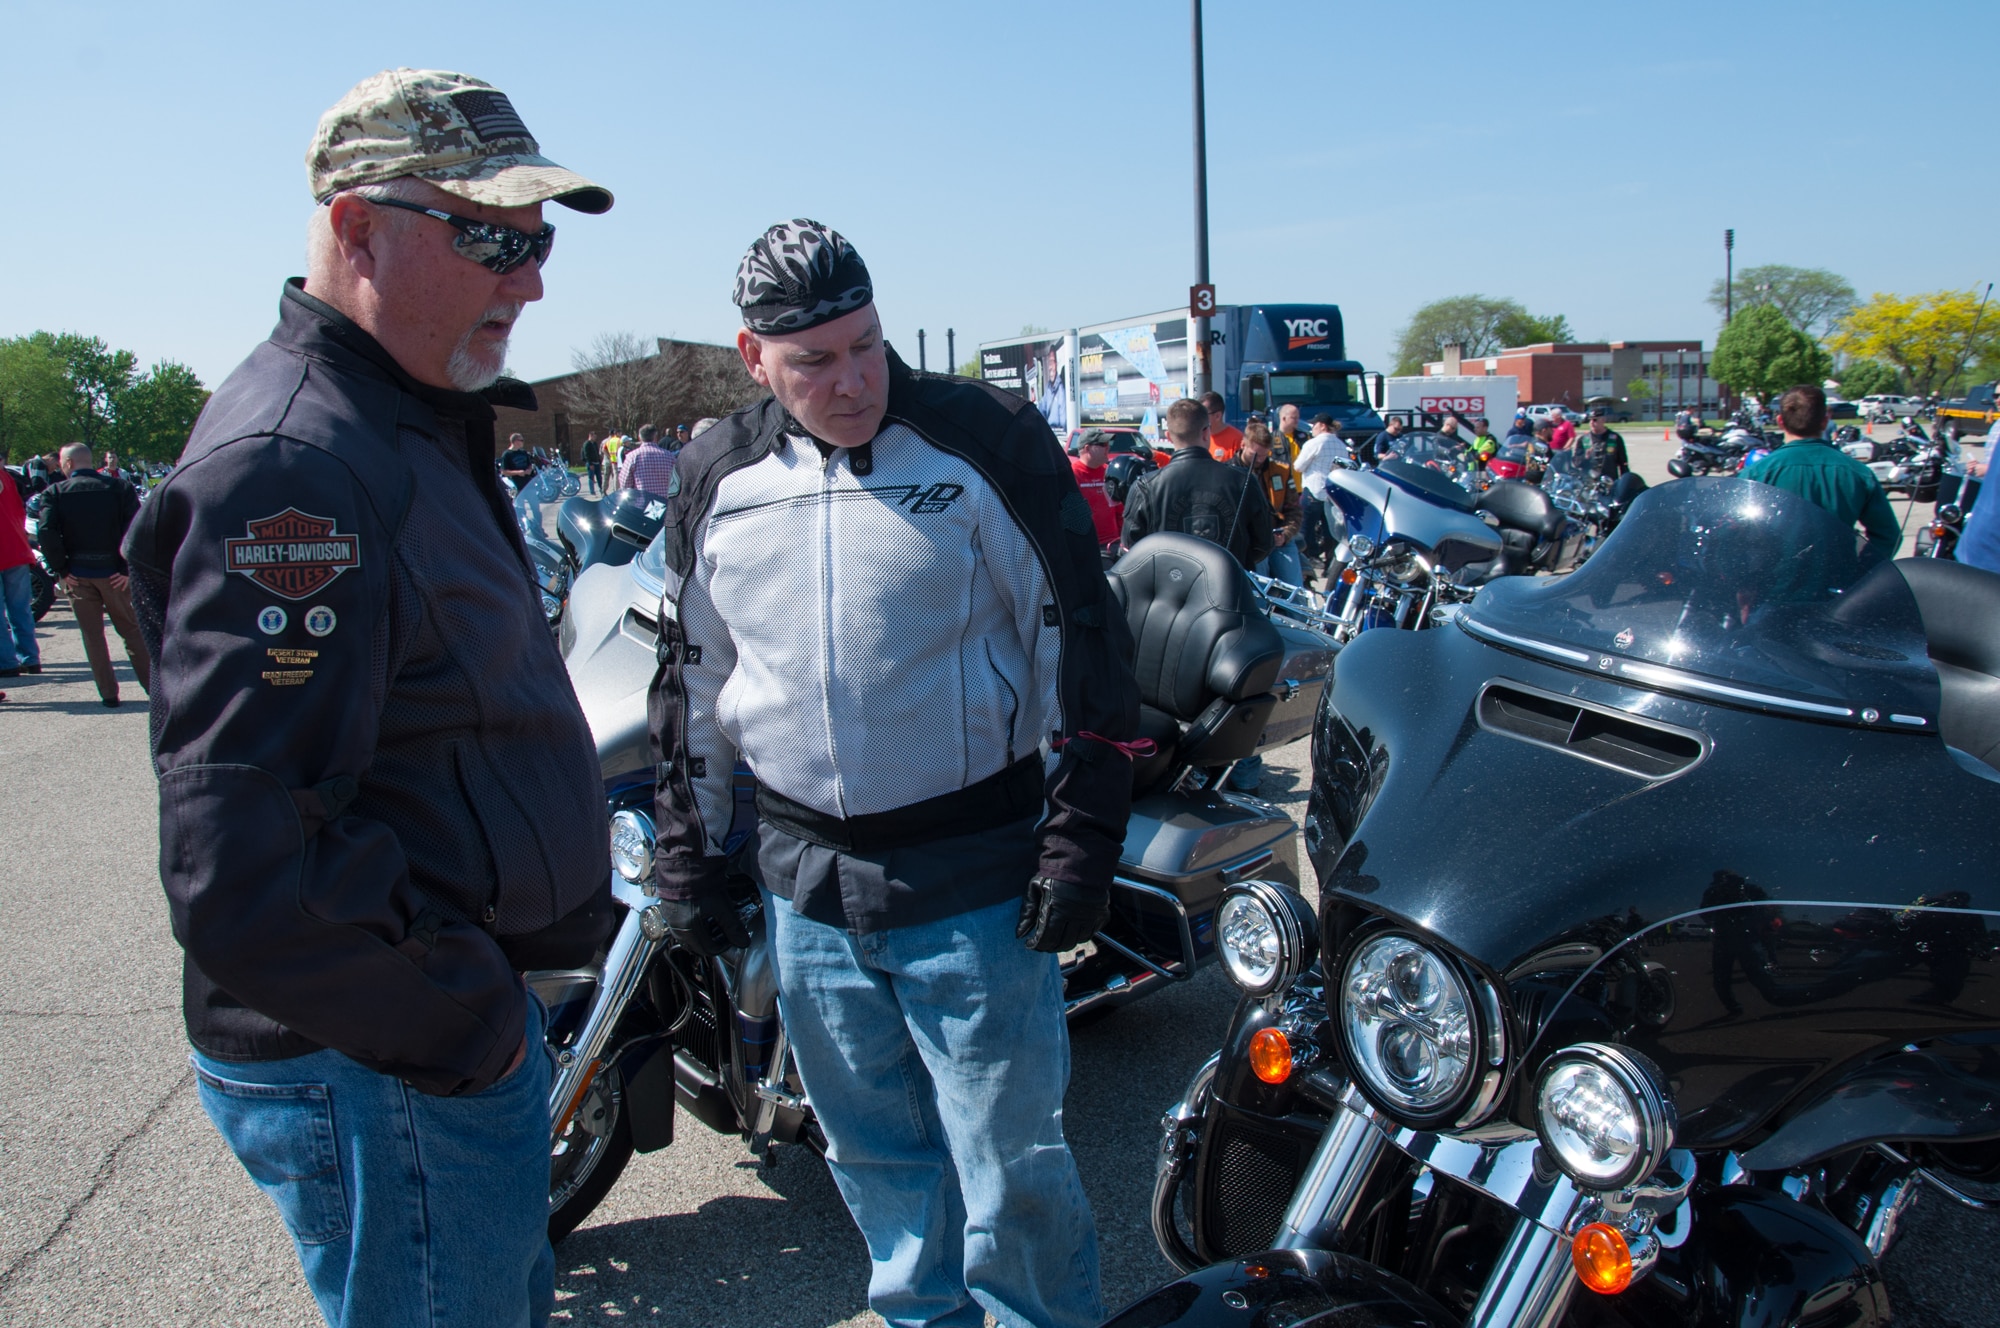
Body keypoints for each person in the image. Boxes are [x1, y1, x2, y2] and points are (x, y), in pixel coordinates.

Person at [120, 68, 615, 1328]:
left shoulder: (398, 417)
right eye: (496, 236)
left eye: (540, 239)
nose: (534, 277)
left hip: (414, 1047)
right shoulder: (298, 461)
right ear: (356, 230)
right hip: (386, 1062)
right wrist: (467, 1027)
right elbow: (244, 863)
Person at [651, 218, 1137, 1328]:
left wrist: (1081, 840)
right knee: (873, 1159)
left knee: (1009, 1165)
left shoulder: (981, 438)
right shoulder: (714, 470)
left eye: (865, 343)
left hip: (973, 879)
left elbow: (1081, 640)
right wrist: (689, 854)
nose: (851, 378)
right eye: (812, 360)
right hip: (805, 890)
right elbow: (690, 670)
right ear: (750, 358)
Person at [39, 442, 151, 705]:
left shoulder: (55, 492)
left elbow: (46, 532)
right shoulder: (118, 488)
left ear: (67, 464)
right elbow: (136, 528)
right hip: (114, 573)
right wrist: (126, 568)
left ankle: (109, 694)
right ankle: (154, 690)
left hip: (77, 573)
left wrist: (62, 570)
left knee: (93, 637)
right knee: (132, 632)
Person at [1741, 384, 1900, 566]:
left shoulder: (1756, 474)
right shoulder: (1858, 473)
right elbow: (1889, 536)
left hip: (1774, 586)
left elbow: (1735, 534)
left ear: (1780, 421)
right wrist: (1863, 571)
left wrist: (1747, 580)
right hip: (1841, 584)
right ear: (1825, 421)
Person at [1124, 397, 1273, 571]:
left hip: (1171, 592)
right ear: (1206, 433)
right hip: (1230, 589)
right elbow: (1263, 544)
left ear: (1169, 437)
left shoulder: (1146, 487)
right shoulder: (1243, 481)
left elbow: (1133, 548)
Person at [1235, 420, 1304, 587]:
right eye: (1255, 454)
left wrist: (1286, 534)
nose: (1260, 460)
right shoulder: (1228, 472)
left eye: (1265, 455)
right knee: (1259, 588)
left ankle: (1298, 613)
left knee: (1296, 591)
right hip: (1249, 543)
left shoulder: (1280, 471)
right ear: (1243, 444)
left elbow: (1294, 511)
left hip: (1277, 538)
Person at [0, 463, 41, 677]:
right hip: (16, 548)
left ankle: (6, 662)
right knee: (20, 609)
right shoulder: (8, 478)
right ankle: (30, 657)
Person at [1293, 414, 1345, 563]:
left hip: (1313, 490)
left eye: (1314, 425)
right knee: (1331, 531)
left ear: (1322, 426)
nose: (1312, 428)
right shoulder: (1340, 445)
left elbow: (1298, 466)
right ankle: (1331, 562)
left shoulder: (1313, 443)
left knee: (1305, 528)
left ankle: (1310, 559)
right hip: (1333, 494)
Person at [1070, 429, 1123, 546]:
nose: (1108, 448)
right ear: (1087, 448)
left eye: (1108, 444)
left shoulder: (1109, 472)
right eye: (1103, 445)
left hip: (1113, 543)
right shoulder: (1072, 474)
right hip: (1086, 545)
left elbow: (1120, 510)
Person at [616, 421, 676, 495]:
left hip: (642, 503)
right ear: (655, 437)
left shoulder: (632, 457)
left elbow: (624, 483)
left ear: (639, 437)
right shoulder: (669, 457)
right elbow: (677, 482)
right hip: (665, 503)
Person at [1580, 408, 1630, 479]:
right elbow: (1576, 462)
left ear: (1603, 420)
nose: (1591, 422)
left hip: (1609, 479)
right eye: (1590, 420)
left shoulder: (1614, 438)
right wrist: (1585, 457)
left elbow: (1623, 462)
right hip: (1589, 480)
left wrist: (1625, 479)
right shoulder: (1584, 439)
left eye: (1595, 420)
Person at [1203, 390, 1243, 461]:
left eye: (1203, 414)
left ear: (1218, 416)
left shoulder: (1237, 439)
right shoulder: (1199, 437)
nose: (1200, 418)